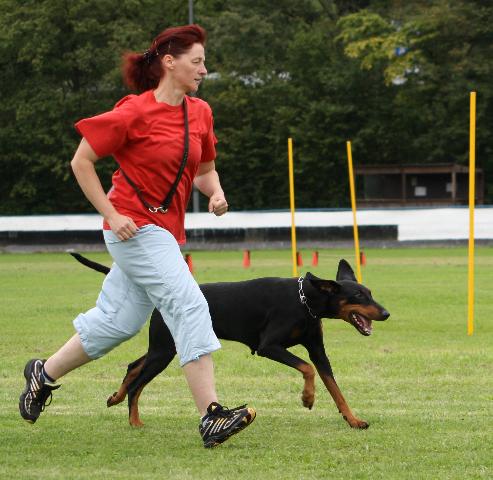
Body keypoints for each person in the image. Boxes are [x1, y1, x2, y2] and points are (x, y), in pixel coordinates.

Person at [18, 24, 255, 448]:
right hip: (132, 228)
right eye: (196, 61)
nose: (204, 69)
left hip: (164, 231)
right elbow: (81, 162)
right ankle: (211, 416)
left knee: (117, 322)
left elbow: (204, 171)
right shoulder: (133, 111)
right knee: (188, 303)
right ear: (170, 62)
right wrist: (111, 212)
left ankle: (44, 373)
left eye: (203, 61)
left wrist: (216, 192)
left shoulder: (200, 112)